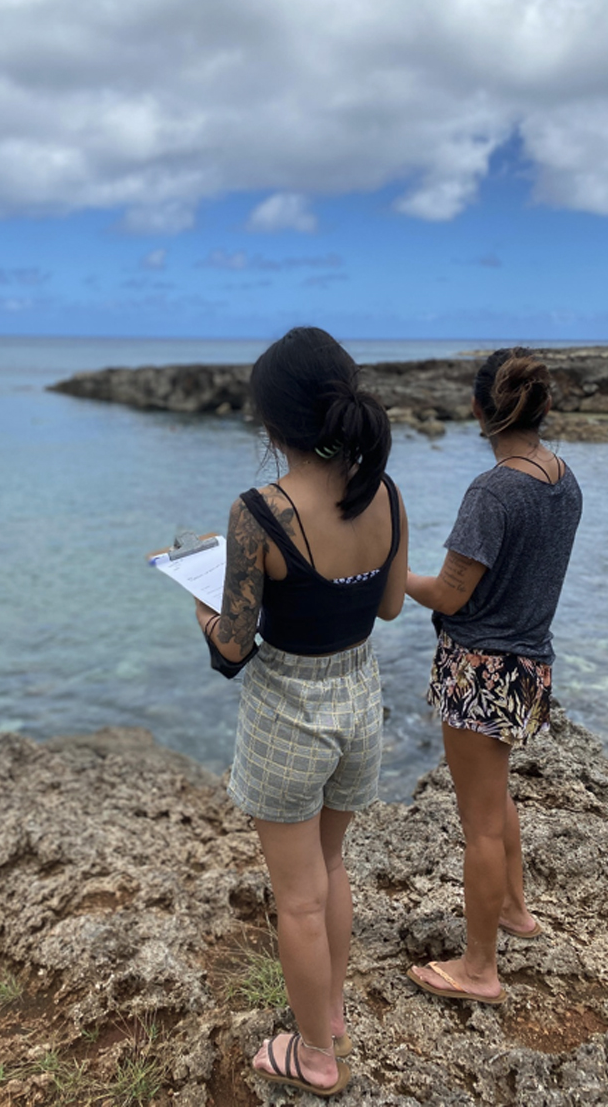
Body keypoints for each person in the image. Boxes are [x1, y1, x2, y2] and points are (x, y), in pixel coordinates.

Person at [195, 326, 408, 1097]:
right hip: (360, 702)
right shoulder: (383, 490)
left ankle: (316, 1055)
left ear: (271, 425)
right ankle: (333, 1016)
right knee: (331, 866)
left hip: (290, 713)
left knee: (297, 899)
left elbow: (231, 651)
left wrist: (202, 605)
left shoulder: (260, 513)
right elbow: (387, 607)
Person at [404, 347, 582, 1005]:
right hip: (531, 667)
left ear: (480, 410)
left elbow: (450, 594)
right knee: (495, 795)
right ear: (544, 405)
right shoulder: (565, 480)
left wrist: (387, 577)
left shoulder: (493, 490)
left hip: (480, 670)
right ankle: (515, 908)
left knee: (478, 820)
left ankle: (480, 968)